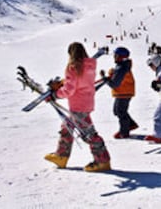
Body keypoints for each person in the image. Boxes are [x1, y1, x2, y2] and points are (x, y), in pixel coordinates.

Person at [44, 42, 111, 172]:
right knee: (67, 127)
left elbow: (70, 89)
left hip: (78, 106)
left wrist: (56, 94)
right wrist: (62, 83)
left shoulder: (73, 67)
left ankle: (102, 161)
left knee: (89, 134)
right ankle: (61, 156)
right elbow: (80, 82)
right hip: (86, 102)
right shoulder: (89, 66)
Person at [100, 47, 138, 139]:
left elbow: (114, 84)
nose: (114, 57)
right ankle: (130, 125)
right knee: (117, 111)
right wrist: (109, 76)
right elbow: (116, 79)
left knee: (121, 112)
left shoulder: (122, 67)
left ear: (120, 57)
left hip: (124, 92)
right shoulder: (121, 66)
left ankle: (124, 132)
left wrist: (105, 79)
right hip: (123, 91)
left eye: (116, 55)